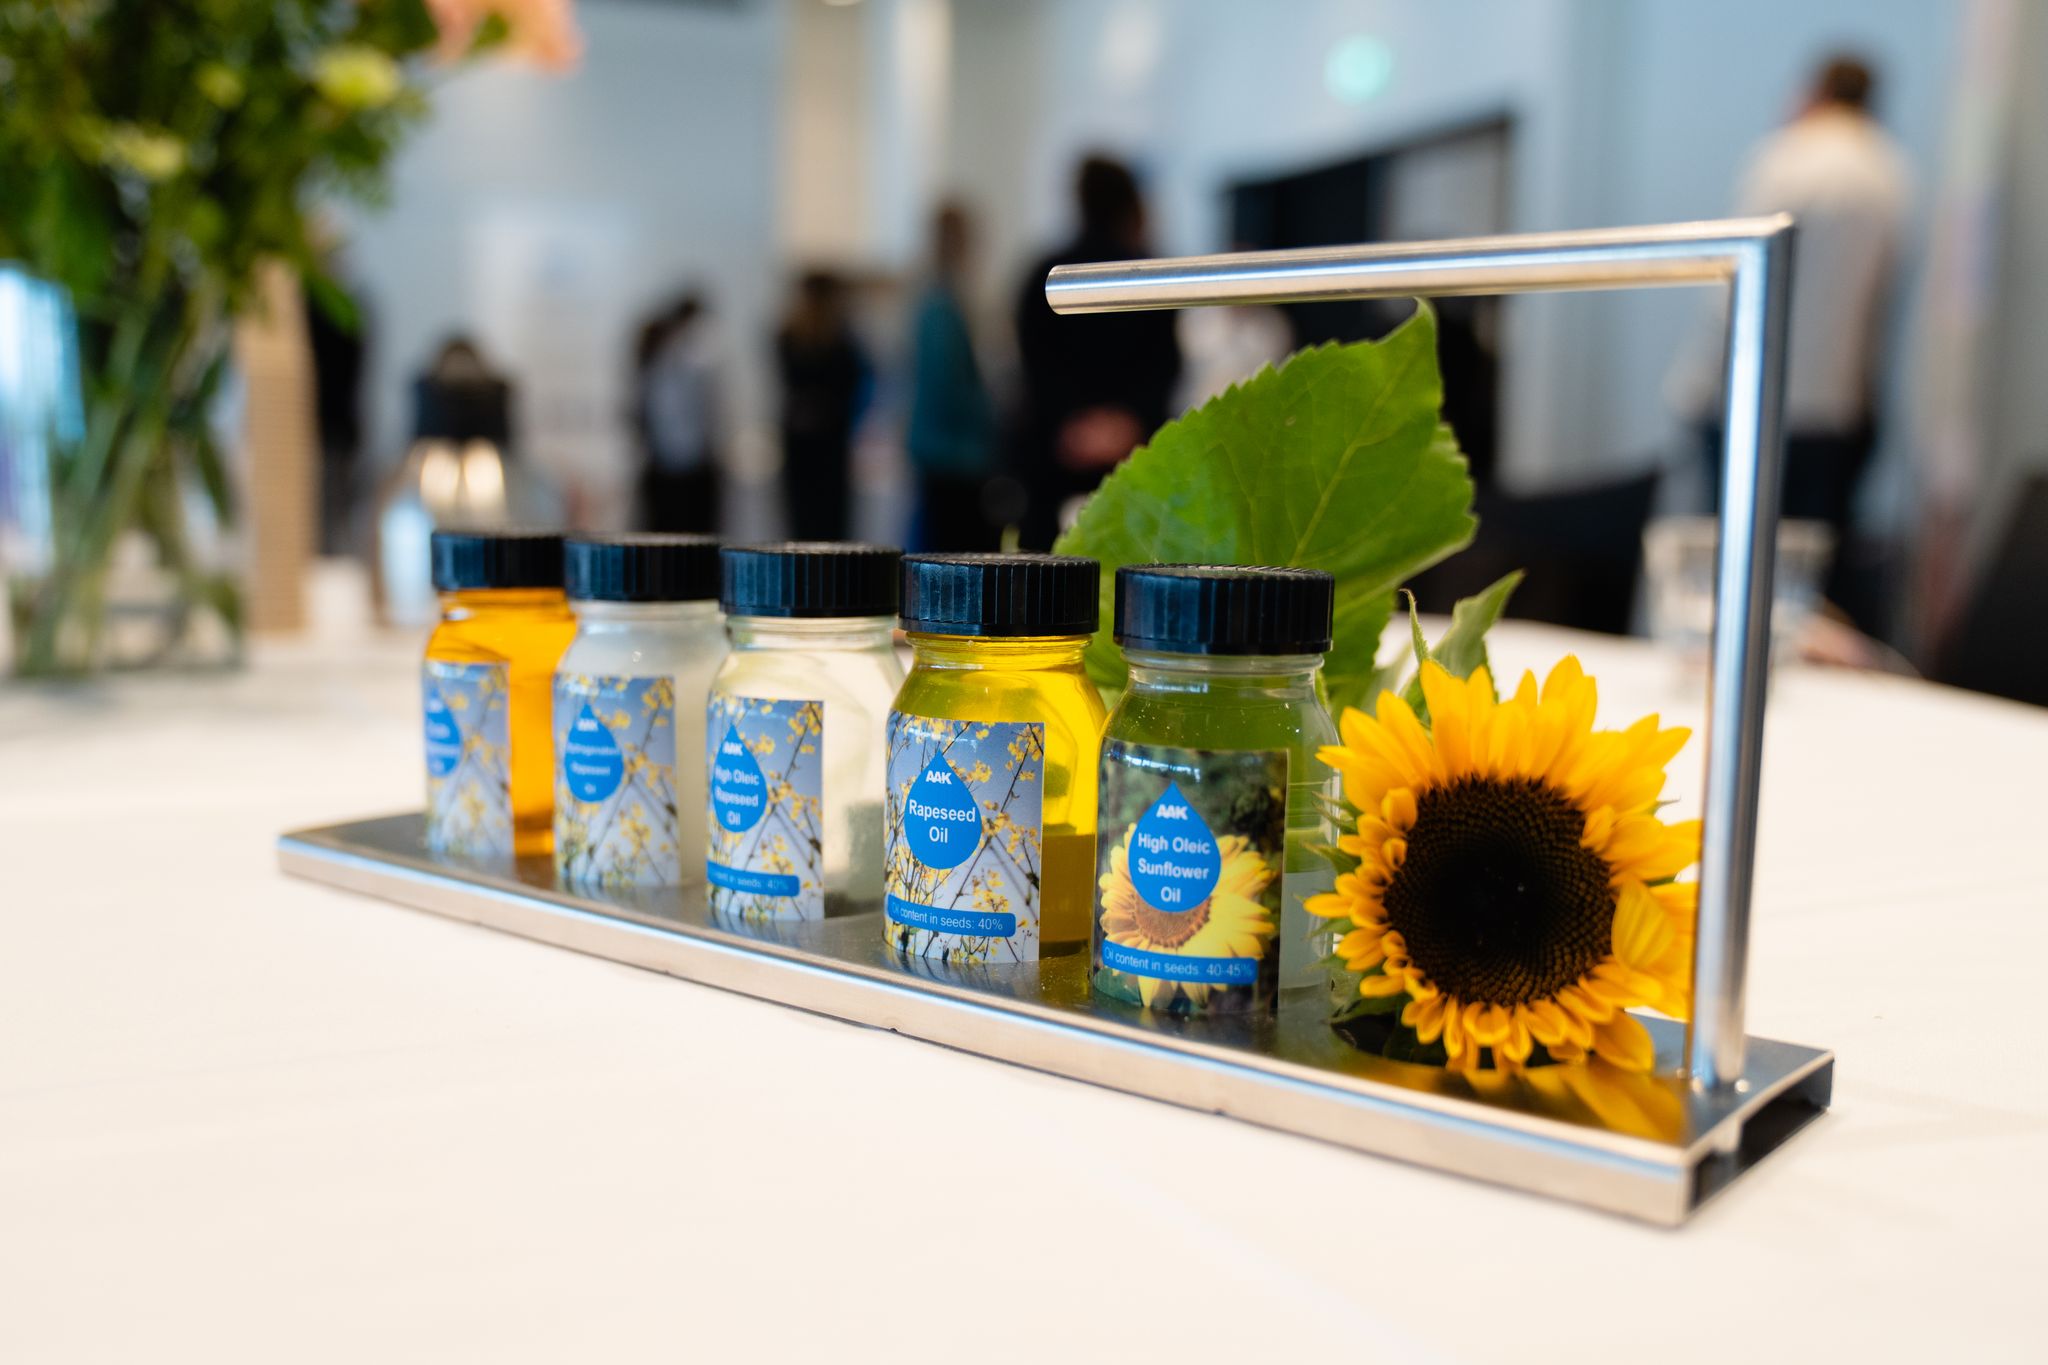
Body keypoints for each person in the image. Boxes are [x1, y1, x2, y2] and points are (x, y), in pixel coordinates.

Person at [1669, 54, 1910, 561]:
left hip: (1755, 400)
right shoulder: (1892, 175)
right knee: (1813, 570)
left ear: (1814, 91)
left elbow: (1733, 282)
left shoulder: (1786, 158)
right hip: (1840, 408)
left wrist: (1694, 389)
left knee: (1739, 556)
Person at [1013, 155, 1180, 547]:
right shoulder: (1153, 275)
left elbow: (1034, 363)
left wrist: (1073, 423)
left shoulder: (1048, 275)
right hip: (1132, 452)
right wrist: (1126, 421)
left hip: (1057, 452)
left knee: (1048, 575)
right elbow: (1164, 365)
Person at [905, 203, 998, 551]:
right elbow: (948, 387)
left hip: (945, 451)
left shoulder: (938, 299)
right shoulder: (941, 306)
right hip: (953, 455)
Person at [775, 270, 868, 542]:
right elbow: (854, 386)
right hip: (826, 442)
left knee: (804, 527)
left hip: (809, 441)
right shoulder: (841, 339)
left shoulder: (789, 336)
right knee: (828, 528)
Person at [634, 294, 723, 535]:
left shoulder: (664, 361)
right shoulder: (679, 362)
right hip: (680, 470)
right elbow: (679, 420)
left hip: (674, 466)